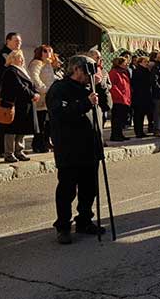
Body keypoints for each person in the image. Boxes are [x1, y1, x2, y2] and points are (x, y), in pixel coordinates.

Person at [46, 55, 107, 244]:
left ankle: (85, 220)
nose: (91, 75)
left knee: (90, 188)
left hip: (91, 146)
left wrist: (102, 87)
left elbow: (107, 106)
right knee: (67, 189)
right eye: (89, 70)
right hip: (70, 147)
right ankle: (63, 227)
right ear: (77, 70)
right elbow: (60, 114)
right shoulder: (59, 88)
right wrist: (85, 103)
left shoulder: (91, 88)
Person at [0, 50, 40, 163]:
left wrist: (36, 92)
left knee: (21, 129)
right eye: (18, 57)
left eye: (22, 57)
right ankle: (9, 153)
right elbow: (19, 87)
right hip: (14, 105)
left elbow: (31, 84)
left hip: (24, 105)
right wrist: (33, 95)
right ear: (12, 59)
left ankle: (19, 151)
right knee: (11, 131)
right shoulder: (11, 71)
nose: (21, 59)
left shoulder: (22, 70)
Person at [0, 32, 22, 156]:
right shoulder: (2, 55)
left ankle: (13, 148)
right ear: (7, 41)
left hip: (16, 94)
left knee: (13, 121)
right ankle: (1, 148)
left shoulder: (18, 54)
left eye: (20, 41)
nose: (19, 43)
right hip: (4, 93)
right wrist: (6, 65)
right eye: (16, 41)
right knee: (3, 120)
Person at [27, 45, 57, 153]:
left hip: (49, 97)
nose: (48, 53)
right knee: (40, 123)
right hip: (41, 97)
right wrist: (44, 89)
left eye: (50, 51)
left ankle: (46, 141)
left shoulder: (48, 64)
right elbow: (34, 78)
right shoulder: (36, 63)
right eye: (45, 51)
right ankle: (38, 144)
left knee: (48, 122)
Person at [108, 57, 132, 142]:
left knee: (122, 118)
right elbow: (112, 86)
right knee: (117, 119)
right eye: (125, 63)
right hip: (118, 100)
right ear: (119, 63)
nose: (127, 64)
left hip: (125, 99)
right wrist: (121, 95)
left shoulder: (124, 72)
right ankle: (115, 135)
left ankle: (120, 134)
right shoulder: (114, 72)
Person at [130, 56, 154, 138]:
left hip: (145, 96)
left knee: (143, 115)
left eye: (147, 61)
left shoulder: (146, 71)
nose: (147, 63)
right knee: (138, 115)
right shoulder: (137, 71)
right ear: (140, 62)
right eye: (145, 62)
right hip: (139, 96)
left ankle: (141, 131)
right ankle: (138, 132)